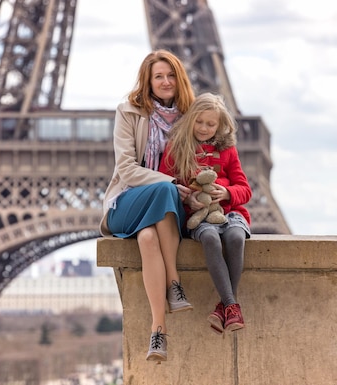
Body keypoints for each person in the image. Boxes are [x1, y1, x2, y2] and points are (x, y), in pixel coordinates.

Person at [99, 50, 196, 363]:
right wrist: (166, 181)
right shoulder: (128, 112)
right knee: (163, 188)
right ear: (148, 81)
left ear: (178, 79)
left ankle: (158, 331)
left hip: (169, 205)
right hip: (127, 200)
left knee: (147, 238)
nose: (166, 81)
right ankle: (174, 282)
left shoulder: (192, 116)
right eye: (159, 76)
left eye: (171, 75)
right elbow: (126, 168)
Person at [159, 92, 252, 334]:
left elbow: (245, 189)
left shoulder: (229, 151)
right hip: (199, 215)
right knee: (210, 238)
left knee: (235, 237)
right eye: (199, 122)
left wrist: (228, 193)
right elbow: (164, 184)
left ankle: (225, 306)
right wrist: (188, 197)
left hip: (231, 213)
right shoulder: (176, 148)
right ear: (190, 120)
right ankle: (231, 305)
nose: (203, 128)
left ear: (220, 125)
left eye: (210, 124)